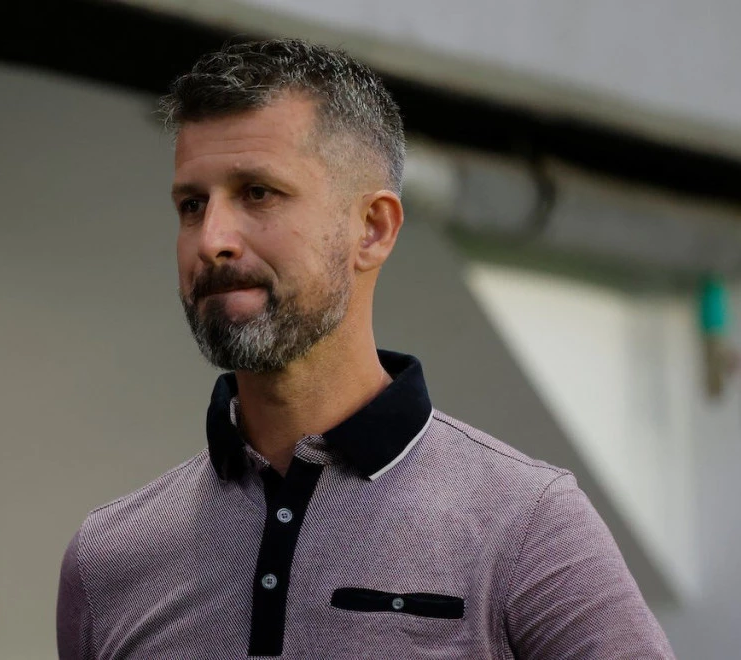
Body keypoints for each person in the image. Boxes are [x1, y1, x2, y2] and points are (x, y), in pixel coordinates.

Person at [56, 38, 674, 659]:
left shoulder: (526, 524)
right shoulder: (108, 560)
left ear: (373, 229)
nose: (211, 238)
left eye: (258, 193)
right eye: (192, 204)